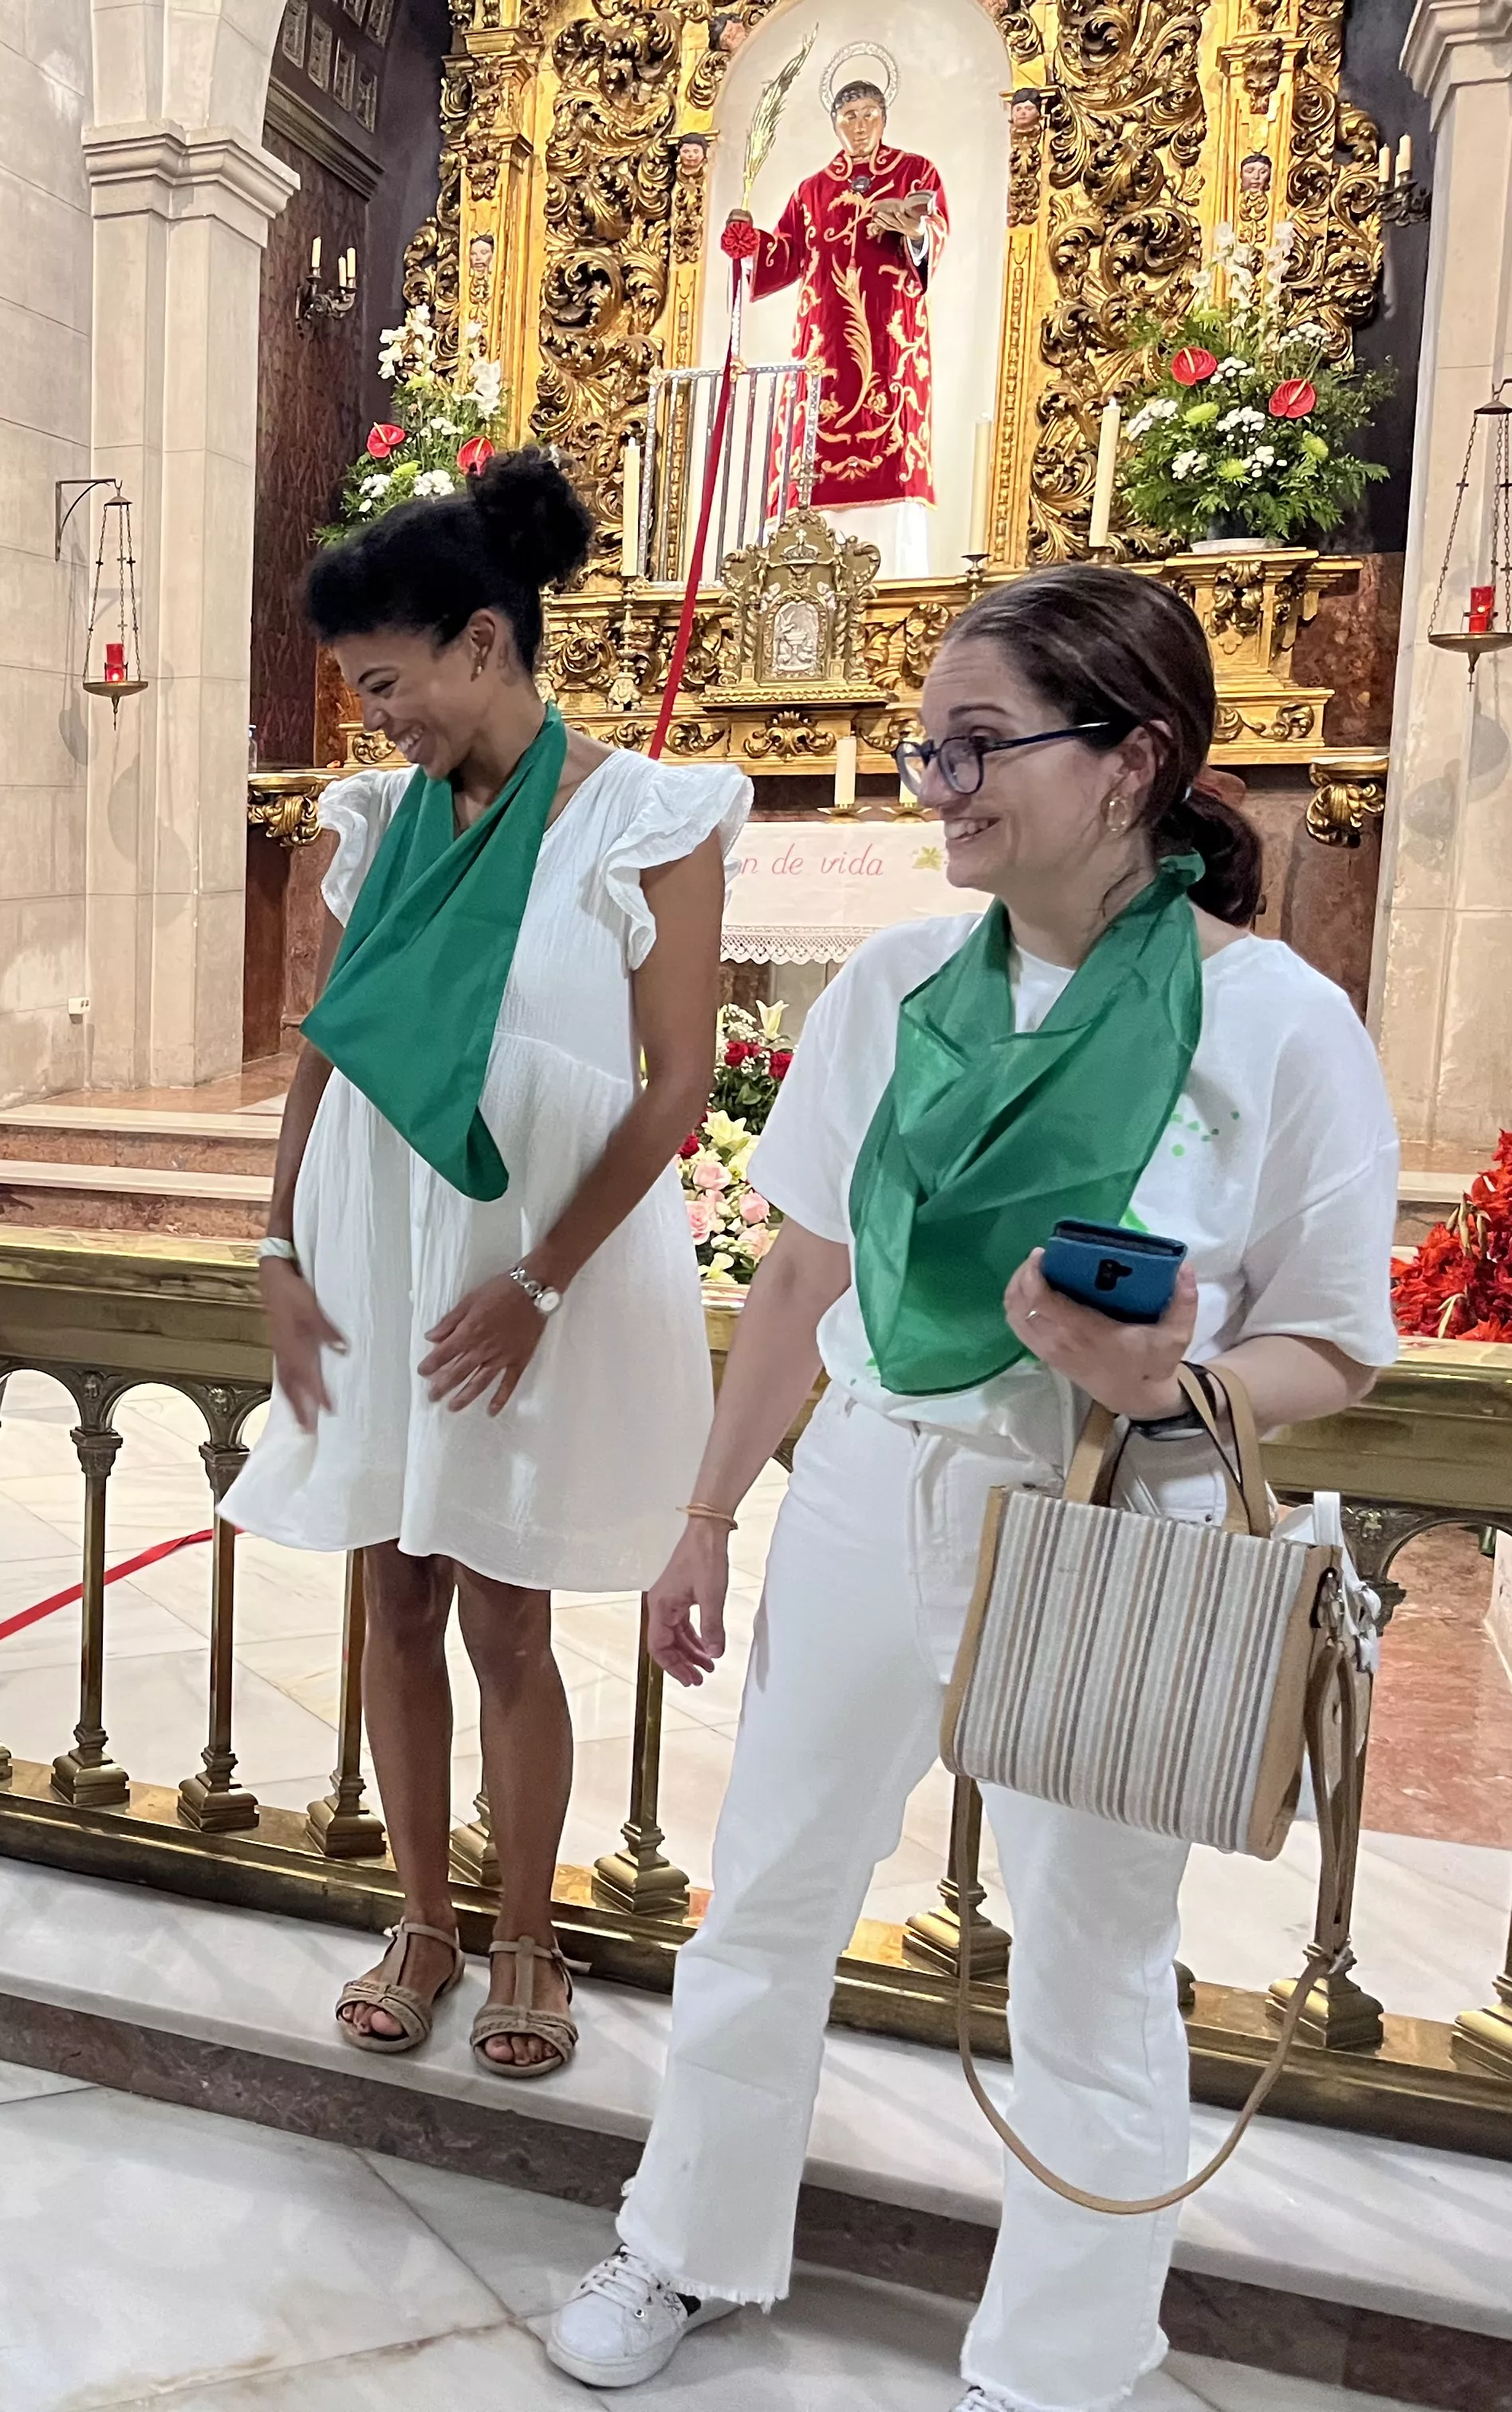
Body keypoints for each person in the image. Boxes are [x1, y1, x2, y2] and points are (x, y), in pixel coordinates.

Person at [548, 566, 1400, 2410]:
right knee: (770, 1894)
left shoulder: (1275, 1026)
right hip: (879, 1478)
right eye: (927, 744)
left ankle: (1058, 2363)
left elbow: (1336, 1346)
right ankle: (686, 2245)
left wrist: (1173, 1384)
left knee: (1092, 1954)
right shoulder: (893, 985)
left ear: (1132, 761)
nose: (935, 782)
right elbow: (802, 1272)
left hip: (1112, 1515)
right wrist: (706, 1518)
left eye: (978, 745)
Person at [224, 454, 746, 2077]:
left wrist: (536, 1287)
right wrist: (278, 1239)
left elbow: (675, 1085)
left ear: (480, 641)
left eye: (388, 683)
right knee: (392, 1589)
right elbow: (330, 1040)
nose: (376, 719)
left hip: (532, 1261)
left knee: (506, 1609)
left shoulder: (645, 814)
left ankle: (528, 1933)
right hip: (381, 1239)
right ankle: (423, 1920)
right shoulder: (377, 819)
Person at [726, 73, 949, 573]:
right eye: (849, 117)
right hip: (821, 355)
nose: (860, 125)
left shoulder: (916, 172)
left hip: (892, 352)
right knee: (809, 466)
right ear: (835, 125)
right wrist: (749, 244)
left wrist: (914, 230)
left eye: (869, 114)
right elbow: (783, 256)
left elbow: (934, 234)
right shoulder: (812, 191)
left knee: (891, 453)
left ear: (884, 118)